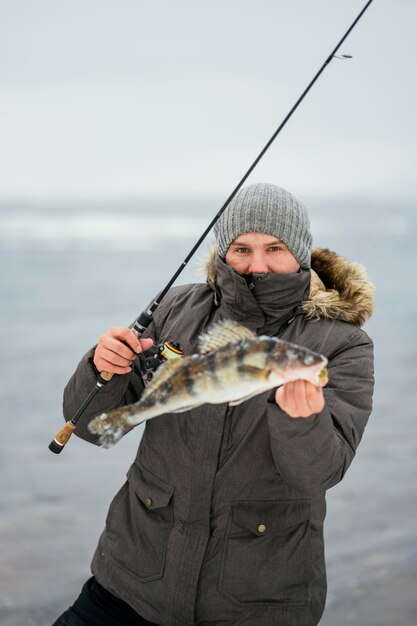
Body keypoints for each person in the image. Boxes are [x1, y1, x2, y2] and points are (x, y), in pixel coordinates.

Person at [52, 183, 375, 626]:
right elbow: (88, 426)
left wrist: (301, 421)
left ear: (300, 253)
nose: (256, 265)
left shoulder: (341, 346)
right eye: (241, 248)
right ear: (223, 251)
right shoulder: (174, 307)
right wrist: (101, 368)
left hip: (257, 607)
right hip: (129, 581)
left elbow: (320, 472)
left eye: (274, 248)